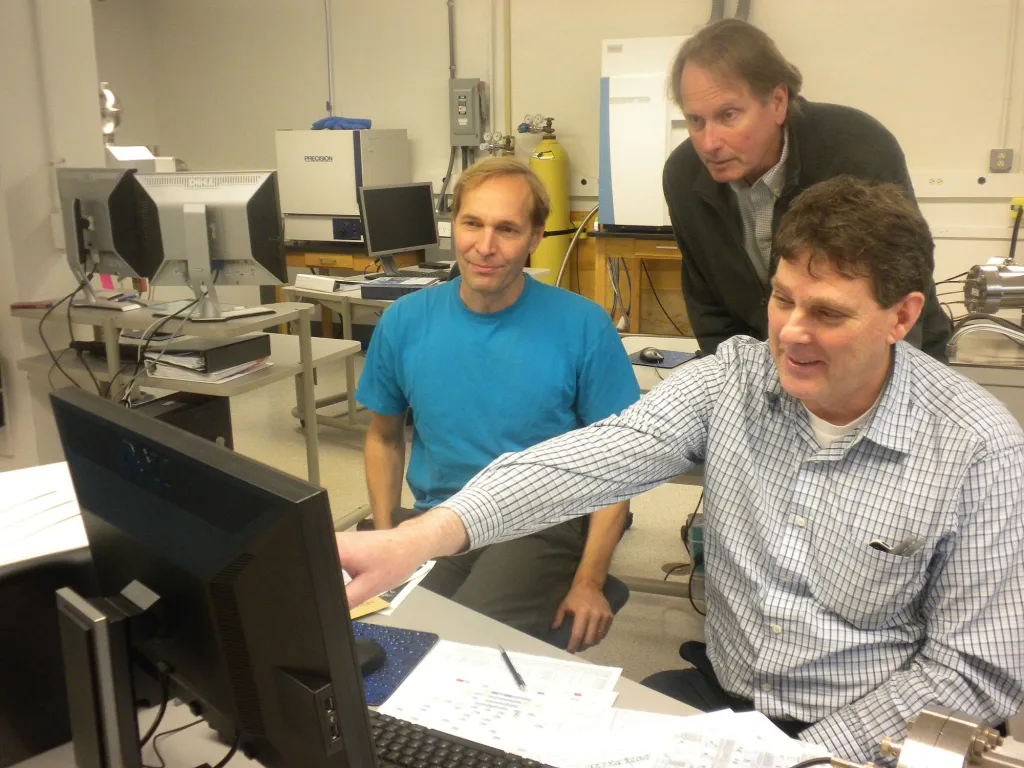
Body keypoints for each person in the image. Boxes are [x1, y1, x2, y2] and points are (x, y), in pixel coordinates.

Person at [338, 176, 1024, 764]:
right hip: (724, 705)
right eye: (783, 299)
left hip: (869, 736)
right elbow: (582, 463)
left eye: (827, 313)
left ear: (902, 316)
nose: (790, 333)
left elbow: (973, 669)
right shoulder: (733, 380)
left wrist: (804, 757)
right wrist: (412, 539)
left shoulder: (977, 448)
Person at [354, 156, 640, 652]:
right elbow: (382, 437)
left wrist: (589, 580)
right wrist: (387, 541)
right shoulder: (405, 321)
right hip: (439, 517)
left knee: (459, 646)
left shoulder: (583, 326)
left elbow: (621, 467)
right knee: (381, 637)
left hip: (538, 523)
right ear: (453, 226)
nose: (485, 247)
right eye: (472, 224)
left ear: (534, 238)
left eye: (507, 229)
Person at [662, 18, 951, 361]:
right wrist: (741, 380)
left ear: (778, 102)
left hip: (883, 358)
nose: (709, 143)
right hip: (774, 366)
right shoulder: (683, 177)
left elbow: (899, 287)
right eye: (696, 120)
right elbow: (707, 305)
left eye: (728, 116)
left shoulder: (858, 151)